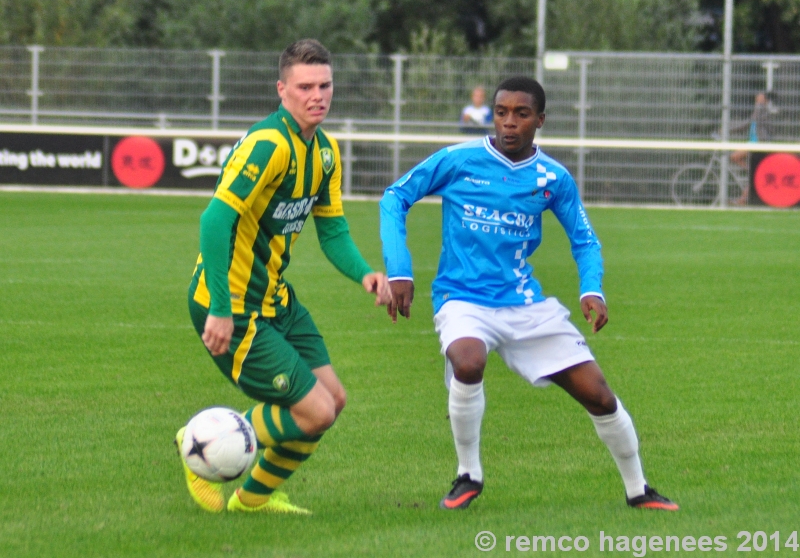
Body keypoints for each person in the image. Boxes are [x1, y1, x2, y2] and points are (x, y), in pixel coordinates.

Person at [379, 76, 678, 512]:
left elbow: (585, 239)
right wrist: (400, 271)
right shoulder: (459, 160)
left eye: (521, 114)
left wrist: (592, 289)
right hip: (462, 298)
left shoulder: (552, 177)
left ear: (540, 119)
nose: (509, 123)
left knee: (598, 394)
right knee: (467, 359)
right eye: (501, 113)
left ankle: (639, 490)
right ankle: (469, 474)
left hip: (524, 304)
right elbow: (395, 197)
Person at [177, 39, 391, 515]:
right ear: (282, 90)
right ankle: (199, 443)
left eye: (325, 85)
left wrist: (365, 275)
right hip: (231, 302)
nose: (318, 95)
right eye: (305, 86)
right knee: (312, 410)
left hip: (276, 298)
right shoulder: (270, 144)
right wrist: (221, 307)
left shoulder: (326, 152)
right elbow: (215, 220)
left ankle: (252, 501)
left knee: (332, 401)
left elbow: (332, 230)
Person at [730, 91, 774, 204]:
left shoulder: (765, 111)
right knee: (734, 157)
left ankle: (742, 200)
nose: (757, 99)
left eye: (760, 98)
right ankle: (752, 170)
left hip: (759, 145)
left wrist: (760, 105)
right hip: (752, 144)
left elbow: (757, 120)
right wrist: (728, 130)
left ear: (765, 100)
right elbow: (746, 124)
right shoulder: (757, 111)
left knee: (736, 157)